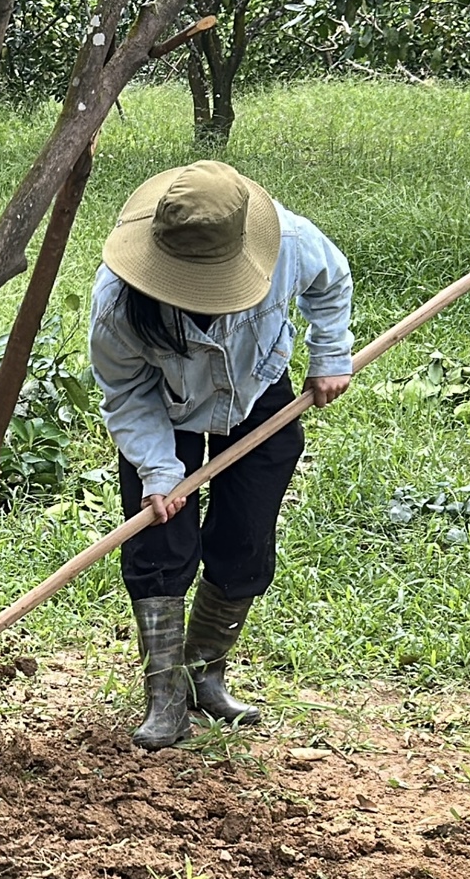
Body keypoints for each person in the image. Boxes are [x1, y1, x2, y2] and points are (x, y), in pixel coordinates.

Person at [91, 160, 353, 750]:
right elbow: (127, 393)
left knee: (246, 535)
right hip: (166, 406)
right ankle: (166, 697)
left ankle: (204, 674)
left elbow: (331, 283)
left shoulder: (290, 242)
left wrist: (331, 355)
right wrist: (160, 472)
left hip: (256, 388)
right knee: (159, 541)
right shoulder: (116, 301)